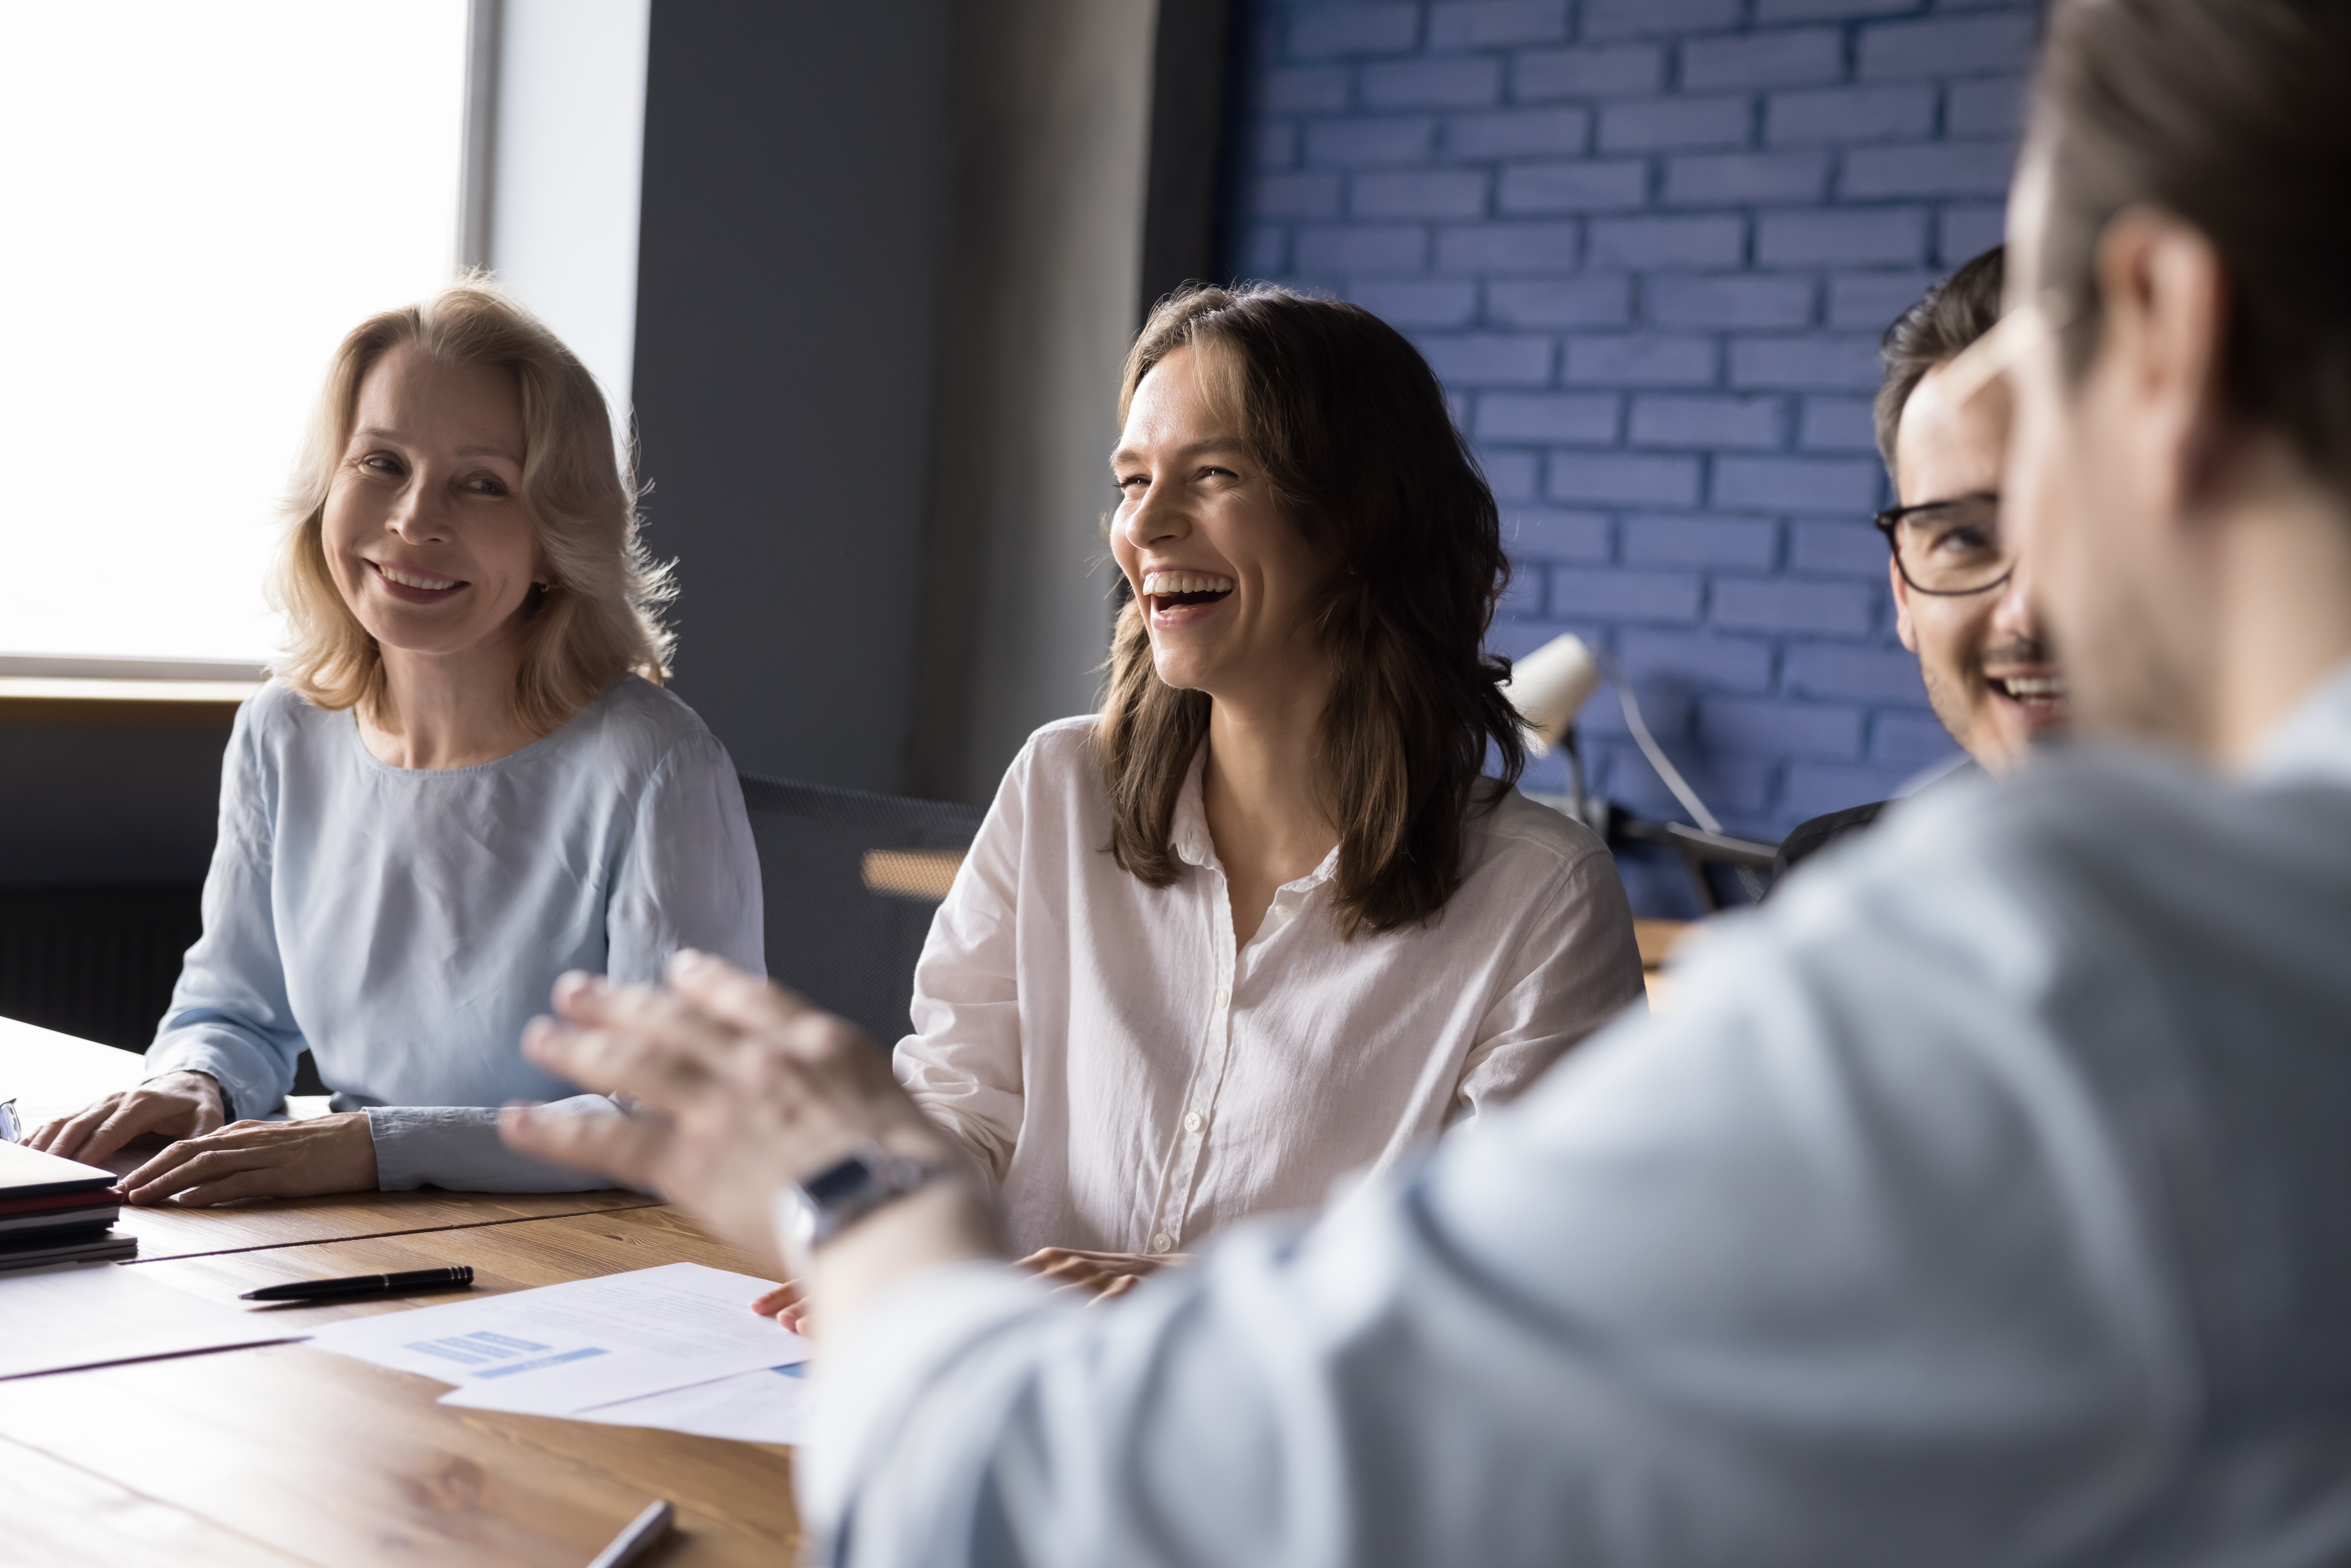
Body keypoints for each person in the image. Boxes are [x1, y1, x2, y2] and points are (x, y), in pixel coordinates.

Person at [505, 0, 2351, 1557]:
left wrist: (858, 1194)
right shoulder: (1064, 790)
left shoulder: (2052, 965)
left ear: (2162, 324)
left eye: (1213, 473)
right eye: (1946, 532)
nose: (2013, 593)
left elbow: (1052, 1495)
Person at [773, 285, 1642, 1314]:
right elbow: (963, 1106)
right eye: (1133, 480)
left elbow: (1524, 1270)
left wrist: (1190, 1294)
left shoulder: (1540, 895)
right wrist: (884, 1228)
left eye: (1214, 474)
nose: (1145, 524)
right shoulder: (1057, 790)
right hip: (1022, 1389)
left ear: (1362, 517)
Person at [28, 282, 761, 1202]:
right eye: (381, 463)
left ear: (554, 539)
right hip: (355, 1220)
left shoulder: (653, 765)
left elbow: (677, 1119)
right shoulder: (283, 729)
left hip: (583, 1250)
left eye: (484, 484)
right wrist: (198, 1078)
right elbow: (236, 1011)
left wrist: (378, 1147)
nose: (414, 520)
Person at [1773, 245, 2070, 876]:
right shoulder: (1834, 885)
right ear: (1903, 593)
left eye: (2087, 532)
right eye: (1965, 539)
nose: (2026, 612)